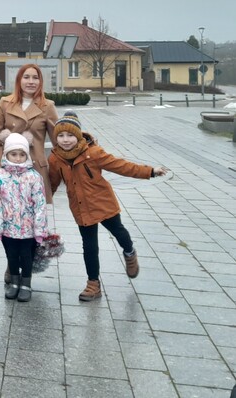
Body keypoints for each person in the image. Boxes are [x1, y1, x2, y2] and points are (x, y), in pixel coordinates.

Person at [48, 111, 167, 301]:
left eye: (70, 135)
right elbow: (52, 183)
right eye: (61, 135)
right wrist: (43, 203)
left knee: (119, 231)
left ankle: (129, 252)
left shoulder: (93, 153)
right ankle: (93, 284)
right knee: (89, 246)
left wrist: (150, 171)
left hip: (103, 203)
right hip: (80, 207)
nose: (65, 139)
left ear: (78, 135)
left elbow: (121, 165)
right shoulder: (55, 158)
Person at [0, 133, 48, 302]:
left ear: (27, 155)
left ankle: (26, 284)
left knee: (27, 255)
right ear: (6, 154)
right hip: (8, 227)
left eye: (22, 154)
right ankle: (14, 282)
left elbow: (40, 204)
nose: (17, 158)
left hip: (28, 228)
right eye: (13, 154)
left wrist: (39, 229)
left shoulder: (34, 176)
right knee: (11, 255)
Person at [0, 64, 58, 202]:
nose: (31, 82)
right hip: (7, 168)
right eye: (26, 77)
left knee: (34, 216)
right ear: (19, 80)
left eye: (35, 78)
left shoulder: (47, 106)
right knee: (8, 213)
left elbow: (59, 139)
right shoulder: (5, 103)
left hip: (35, 169)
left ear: (40, 82)